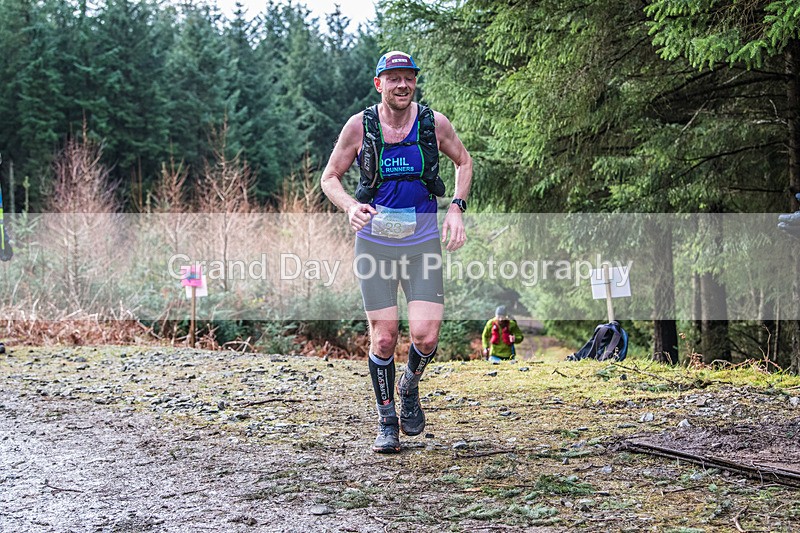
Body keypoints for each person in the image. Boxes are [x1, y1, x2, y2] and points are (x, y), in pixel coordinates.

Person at [320, 51, 473, 453]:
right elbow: (330, 177)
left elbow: (464, 161)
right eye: (394, 79)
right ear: (379, 84)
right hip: (375, 244)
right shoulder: (360, 126)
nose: (402, 85)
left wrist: (457, 207)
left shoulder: (433, 123)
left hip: (422, 243)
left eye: (408, 78)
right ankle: (387, 418)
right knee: (384, 338)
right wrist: (350, 207)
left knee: (426, 334)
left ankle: (408, 386)